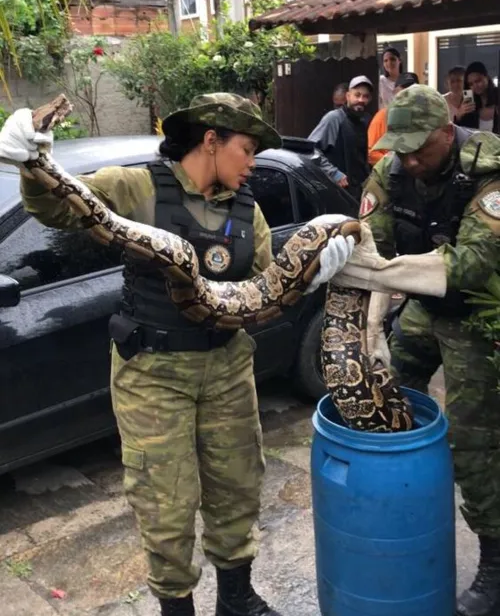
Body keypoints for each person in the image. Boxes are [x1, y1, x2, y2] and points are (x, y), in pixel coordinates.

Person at [0, 93, 356, 616]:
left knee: (237, 485)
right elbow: (57, 206)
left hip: (228, 365)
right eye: (246, 149)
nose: (253, 163)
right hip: (153, 371)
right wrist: (33, 163)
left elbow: (263, 287)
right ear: (210, 140)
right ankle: (176, 607)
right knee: (164, 500)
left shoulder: (247, 210)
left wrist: (307, 278)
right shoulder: (137, 187)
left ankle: (237, 597)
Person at [361, 85, 500, 616]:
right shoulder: (393, 170)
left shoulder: (487, 171)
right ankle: (412, 496)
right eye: (403, 148)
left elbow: (470, 266)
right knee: (390, 389)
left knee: (477, 439)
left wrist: (388, 272)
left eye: (422, 148)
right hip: (423, 305)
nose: (411, 159)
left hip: (477, 310)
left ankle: (494, 562)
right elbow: (367, 246)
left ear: (448, 132)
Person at [308, 75, 373, 202]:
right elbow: (310, 150)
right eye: (357, 95)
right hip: (338, 195)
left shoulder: (366, 121)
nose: (361, 99)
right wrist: (333, 173)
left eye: (365, 96)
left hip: (360, 194)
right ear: (348, 96)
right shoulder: (334, 119)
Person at [367, 72, 419, 166]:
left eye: (412, 91)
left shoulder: (424, 116)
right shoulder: (383, 116)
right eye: (403, 91)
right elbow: (371, 153)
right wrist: (395, 164)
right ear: (395, 92)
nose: (408, 95)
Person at [457, 61, 499, 134]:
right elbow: (461, 133)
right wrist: (458, 116)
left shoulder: (497, 96)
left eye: (478, 81)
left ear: (486, 77)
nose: (475, 86)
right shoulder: (470, 105)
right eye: (471, 84)